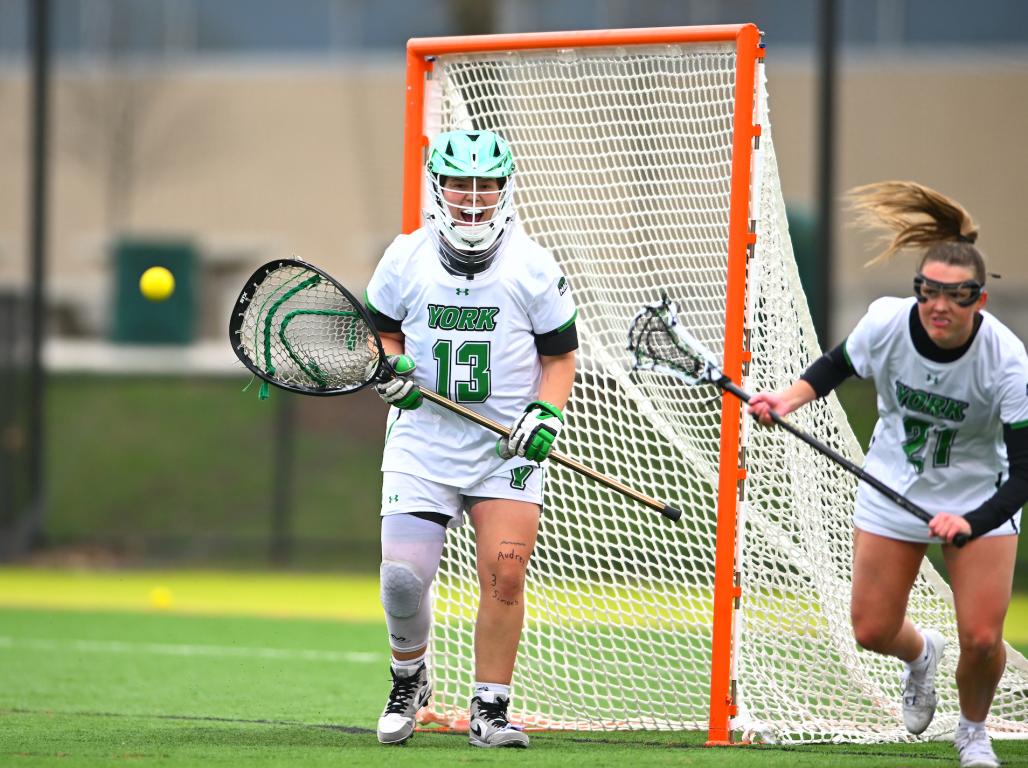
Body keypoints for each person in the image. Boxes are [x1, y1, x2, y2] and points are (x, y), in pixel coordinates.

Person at [748, 181, 1028, 768]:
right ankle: (921, 654)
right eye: (929, 291)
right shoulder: (887, 323)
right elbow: (835, 366)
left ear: (979, 300)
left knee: (982, 638)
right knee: (872, 630)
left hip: (978, 496)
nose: (939, 306)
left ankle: (973, 732)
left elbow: (1024, 471)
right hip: (894, 487)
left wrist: (972, 521)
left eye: (956, 295)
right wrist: (785, 401)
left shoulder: (1006, 361)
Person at [363, 129, 578, 749]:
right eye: (460, 183)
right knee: (402, 579)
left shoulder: (532, 266)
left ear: (505, 188)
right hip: (423, 439)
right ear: (438, 186)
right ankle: (410, 680)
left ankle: (490, 708)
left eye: (486, 184)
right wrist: (388, 371)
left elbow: (560, 358)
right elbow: (381, 335)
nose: (473, 197)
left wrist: (545, 414)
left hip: (503, 447)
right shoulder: (405, 258)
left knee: (506, 574)